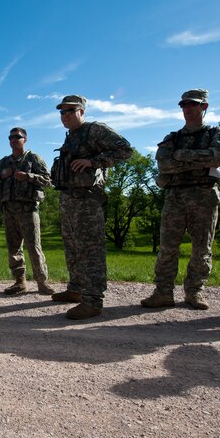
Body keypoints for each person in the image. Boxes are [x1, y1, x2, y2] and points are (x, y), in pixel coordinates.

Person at [141, 89, 220, 310]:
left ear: (204, 107)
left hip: (204, 195)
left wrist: (181, 156)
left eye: (193, 104)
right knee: (167, 248)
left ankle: (194, 292)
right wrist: (200, 159)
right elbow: (164, 165)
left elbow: (218, 157)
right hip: (175, 196)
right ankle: (163, 292)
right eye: (184, 105)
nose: (188, 109)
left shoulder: (217, 133)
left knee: (202, 248)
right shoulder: (173, 138)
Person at [51, 95, 132, 319]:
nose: (65, 115)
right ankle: (76, 289)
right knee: (72, 248)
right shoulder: (72, 136)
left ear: (82, 112)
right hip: (69, 198)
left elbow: (125, 150)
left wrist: (93, 161)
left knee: (90, 250)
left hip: (87, 200)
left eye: (70, 111)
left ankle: (93, 301)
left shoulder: (95, 130)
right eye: (62, 112)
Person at [0, 127, 54, 296]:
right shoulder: (4, 162)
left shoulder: (33, 158)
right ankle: (20, 282)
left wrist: (28, 176)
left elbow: (48, 180)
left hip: (28, 209)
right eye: (10, 137)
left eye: (17, 137)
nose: (13, 140)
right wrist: (2, 176)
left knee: (34, 247)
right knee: (13, 249)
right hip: (9, 209)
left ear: (24, 139)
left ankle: (42, 283)